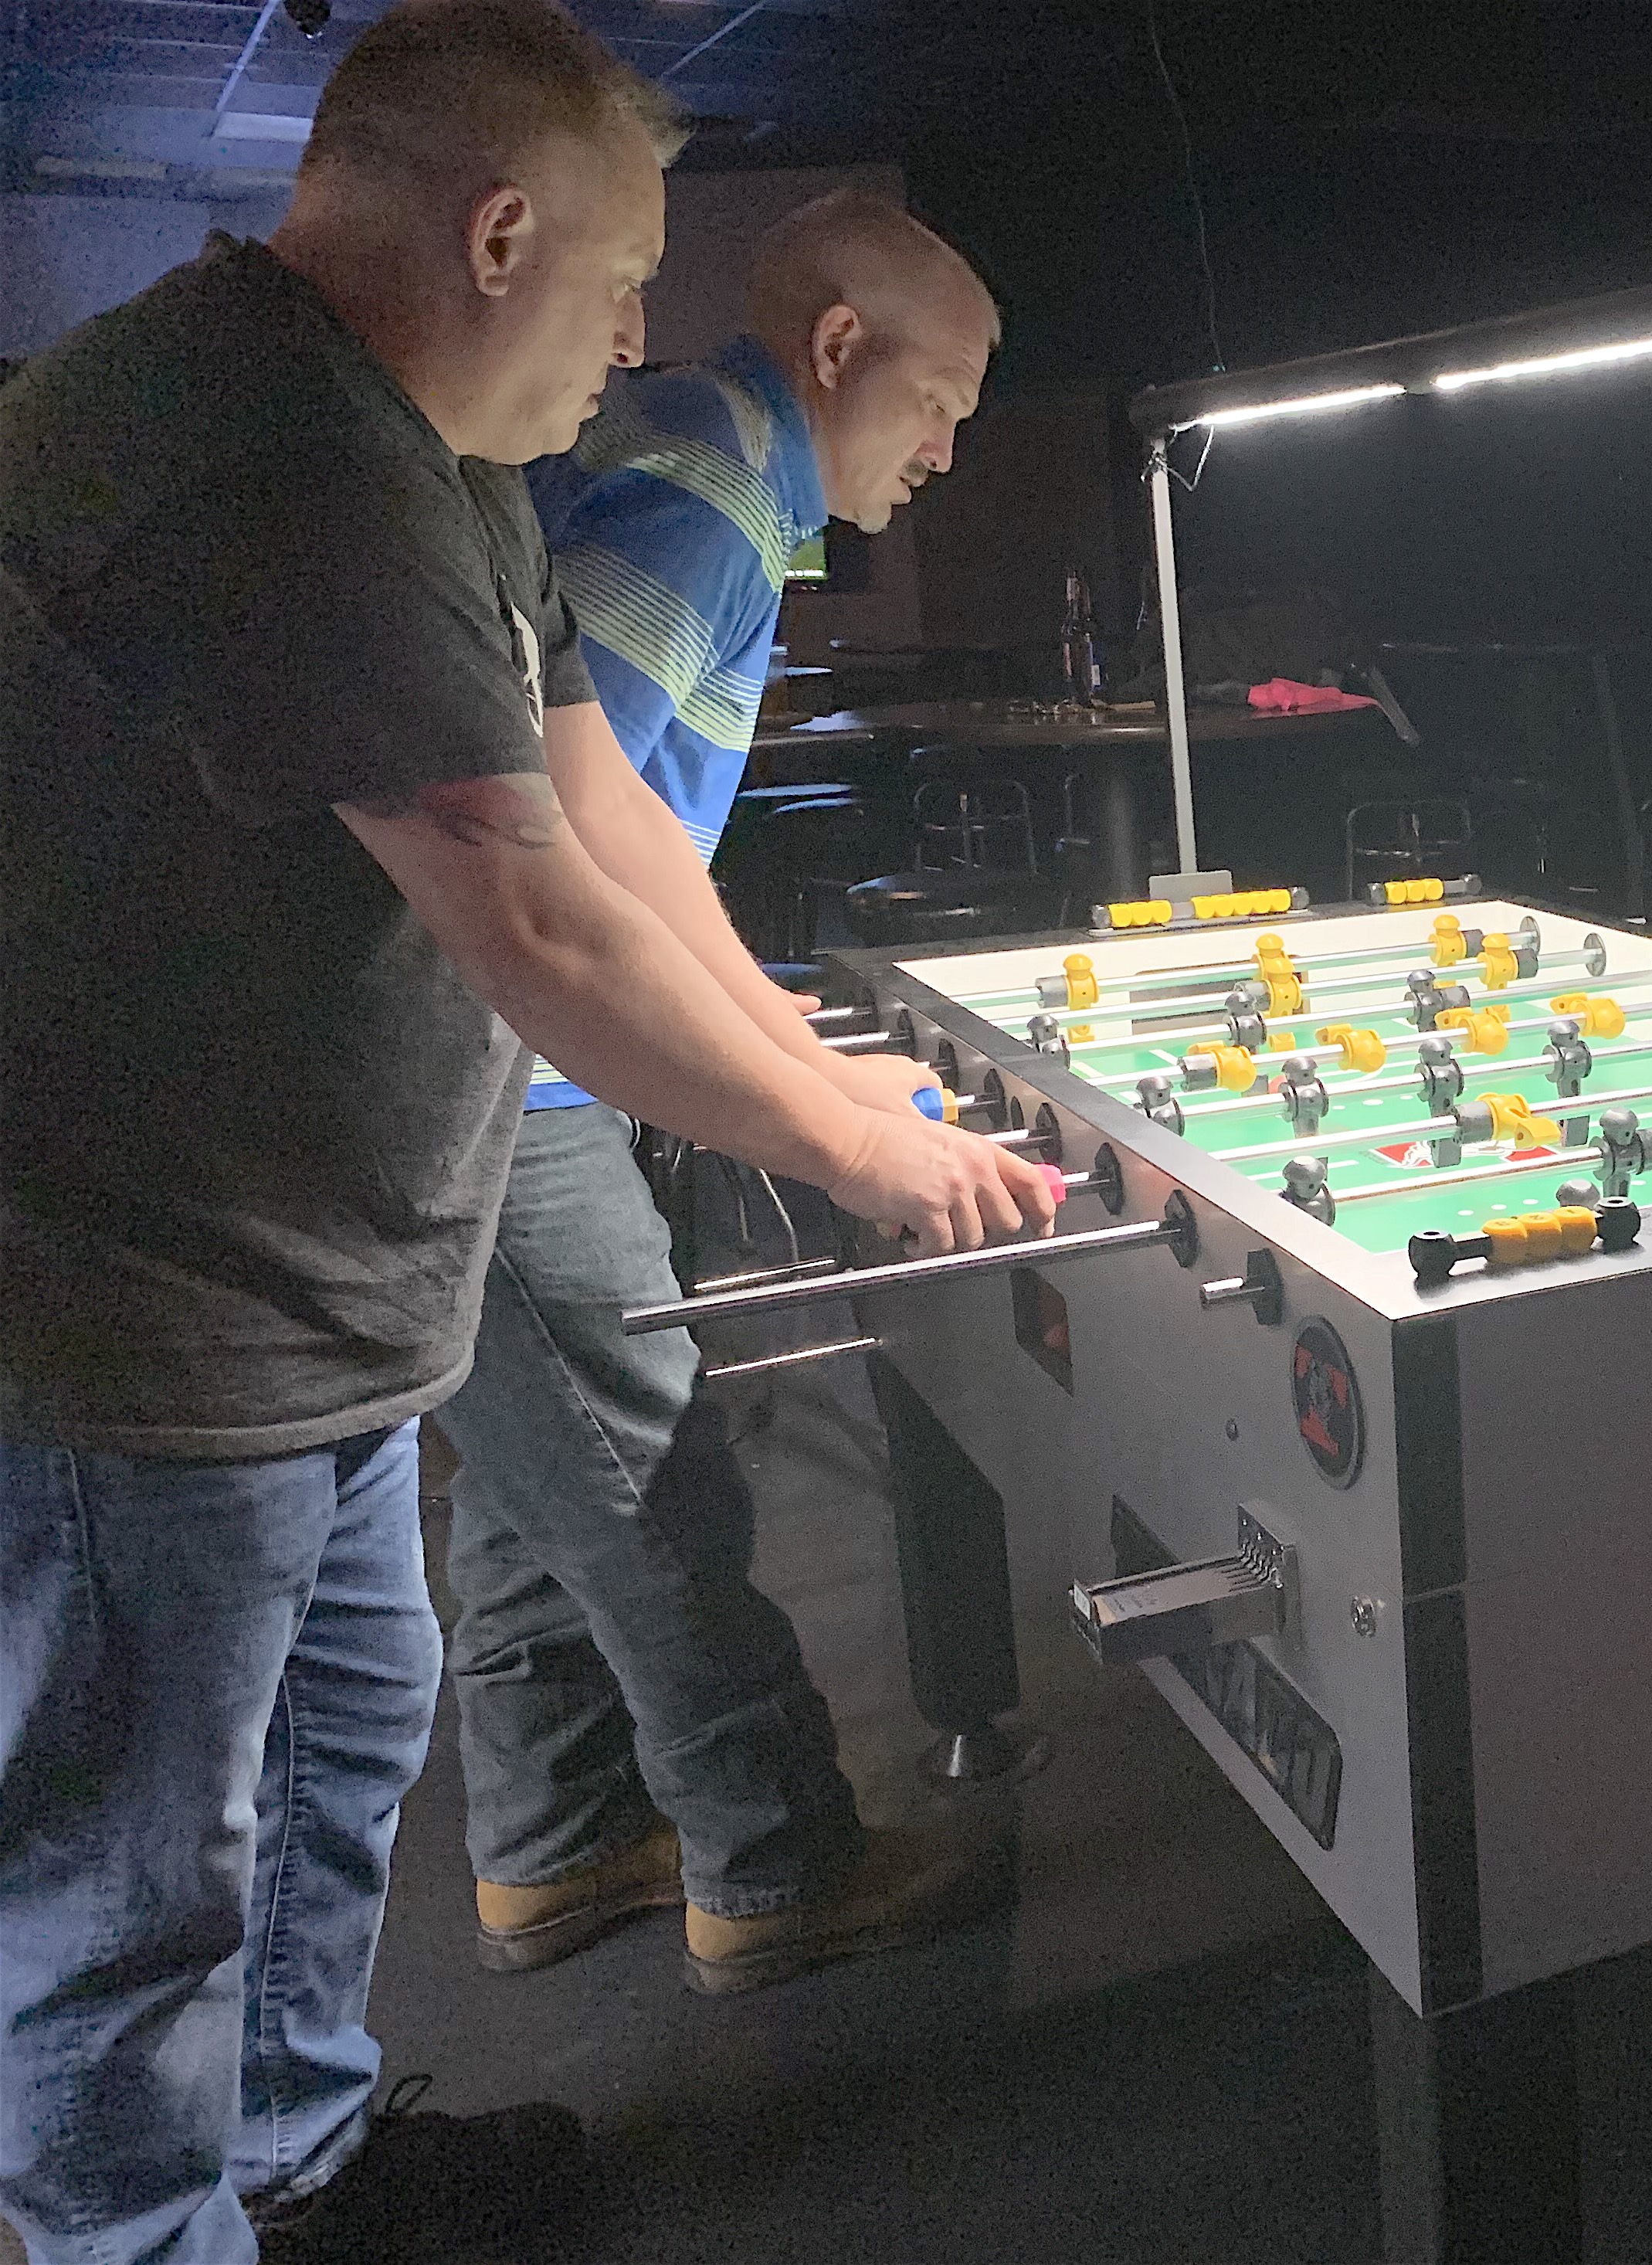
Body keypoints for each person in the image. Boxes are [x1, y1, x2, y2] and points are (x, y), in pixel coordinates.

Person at [0, 5, 1052, 2260]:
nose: (644, 332)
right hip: (129, 1312)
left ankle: (304, 2163)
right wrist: (867, 1161)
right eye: (619, 277)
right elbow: (534, 915)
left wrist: (809, 1059)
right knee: (121, 1896)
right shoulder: (268, 445)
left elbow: (606, 819)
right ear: (496, 233)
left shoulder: (438, 457)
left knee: (331, 1760)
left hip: (320, 1279)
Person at [445, 190, 1015, 1994]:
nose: (948, 446)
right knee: (654, 1476)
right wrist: (831, 1129)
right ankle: (772, 1865)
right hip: (513, 1080)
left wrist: (784, 1037)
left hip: (505, 1068)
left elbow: (629, 826)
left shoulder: (715, 470)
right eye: (941, 399)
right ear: (839, 349)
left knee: (537, 1485)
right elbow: (565, 845)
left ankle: (556, 1848)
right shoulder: (700, 495)